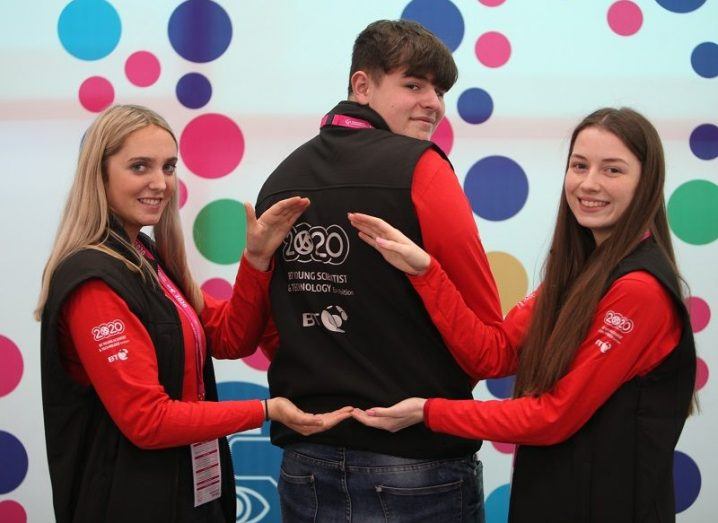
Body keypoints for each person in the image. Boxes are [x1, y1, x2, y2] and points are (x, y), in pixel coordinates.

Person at [348, 107, 697, 522]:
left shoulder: (639, 290)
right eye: (579, 166)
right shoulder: (580, 270)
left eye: (613, 170)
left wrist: (429, 412)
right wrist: (425, 271)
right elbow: (492, 354)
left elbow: (553, 416)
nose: (589, 184)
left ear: (647, 183)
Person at [35, 104, 352, 523]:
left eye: (168, 167)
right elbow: (147, 421)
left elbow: (228, 337)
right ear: (100, 174)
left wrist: (256, 259)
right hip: (130, 503)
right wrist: (265, 410)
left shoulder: (144, 257)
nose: (159, 183)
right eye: (139, 167)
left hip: (185, 495)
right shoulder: (94, 280)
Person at [254, 19, 502, 522]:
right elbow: (483, 339)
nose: (432, 102)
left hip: (306, 462)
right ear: (361, 85)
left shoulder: (279, 179)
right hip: (415, 464)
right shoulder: (423, 167)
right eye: (413, 85)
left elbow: (272, 328)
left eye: (439, 89)